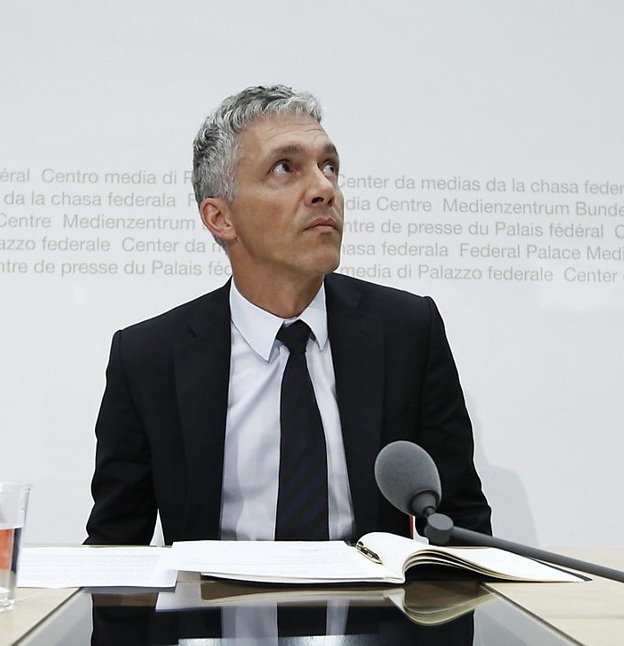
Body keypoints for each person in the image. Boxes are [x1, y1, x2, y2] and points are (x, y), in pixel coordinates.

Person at [86, 85, 491, 545]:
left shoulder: (408, 331)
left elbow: (461, 524)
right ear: (220, 218)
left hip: (367, 593)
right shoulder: (149, 358)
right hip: (215, 592)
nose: (324, 189)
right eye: (285, 168)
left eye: (329, 167)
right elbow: (115, 545)